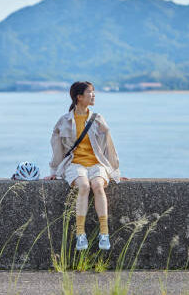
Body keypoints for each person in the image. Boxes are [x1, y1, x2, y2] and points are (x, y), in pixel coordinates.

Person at [44, 81, 122, 251]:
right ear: (79, 97)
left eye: (93, 92)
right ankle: (80, 234)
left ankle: (104, 233)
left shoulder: (98, 119)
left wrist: (115, 171)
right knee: (84, 186)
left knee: (98, 186)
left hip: (96, 163)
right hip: (75, 163)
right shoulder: (64, 121)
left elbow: (109, 147)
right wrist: (54, 172)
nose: (93, 96)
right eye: (90, 93)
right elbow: (57, 148)